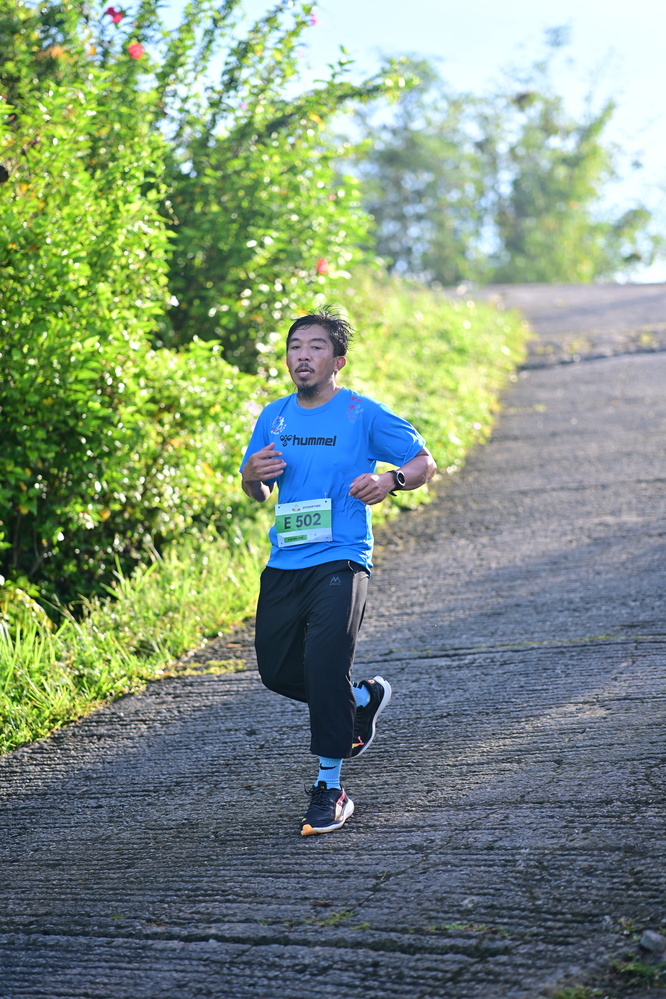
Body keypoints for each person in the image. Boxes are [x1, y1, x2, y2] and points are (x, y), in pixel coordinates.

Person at [239, 309, 436, 835]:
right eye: (295, 346)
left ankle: (330, 787)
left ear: (338, 361)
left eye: (316, 347)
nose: (302, 355)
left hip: (342, 557)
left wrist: (391, 480)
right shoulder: (274, 416)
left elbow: (423, 461)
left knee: (325, 663)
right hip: (285, 560)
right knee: (276, 671)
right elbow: (257, 489)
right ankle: (362, 700)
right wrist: (250, 476)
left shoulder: (360, 413)